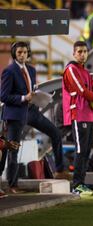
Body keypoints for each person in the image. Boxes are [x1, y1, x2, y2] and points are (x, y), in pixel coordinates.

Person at [62, 41, 93, 196]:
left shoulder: (85, 72)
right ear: (74, 53)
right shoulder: (71, 69)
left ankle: (81, 183)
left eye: (85, 51)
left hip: (89, 114)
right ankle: (76, 185)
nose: (82, 54)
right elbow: (82, 91)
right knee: (80, 150)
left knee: (86, 151)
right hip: (78, 114)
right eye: (79, 51)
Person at [0, 41, 35, 194]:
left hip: (25, 114)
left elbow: (31, 90)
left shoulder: (31, 70)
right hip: (13, 116)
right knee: (11, 150)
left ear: (28, 54)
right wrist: (23, 98)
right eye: (19, 52)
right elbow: (3, 96)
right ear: (14, 53)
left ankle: (12, 184)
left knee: (14, 150)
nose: (22, 55)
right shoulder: (9, 71)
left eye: (25, 52)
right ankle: (12, 185)